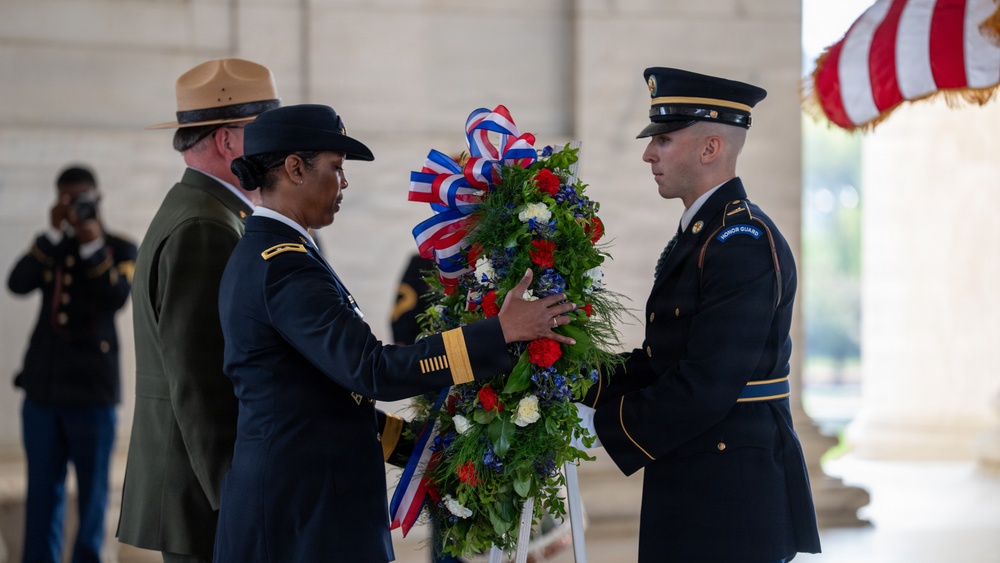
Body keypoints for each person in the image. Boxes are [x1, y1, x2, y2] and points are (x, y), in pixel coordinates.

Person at [214, 104, 577, 562]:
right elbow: (371, 370)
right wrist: (499, 332)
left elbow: (324, 395)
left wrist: (423, 452)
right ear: (294, 169)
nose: (344, 183)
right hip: (302, 511)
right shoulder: (284, 266)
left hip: (310, 498)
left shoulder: (281, 255)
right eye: (336, 168)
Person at [575, 67, 822, 562]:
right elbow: (662, 358)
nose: (648, 153)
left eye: (663, 140)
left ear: (710, 149)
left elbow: (706, 382)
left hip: (732, 494)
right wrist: (572, 382)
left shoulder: (741, 242)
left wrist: (599, 425)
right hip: (698, 468)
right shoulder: (703, 234)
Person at [116, 58, 280, 563]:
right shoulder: (206, 226)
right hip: (207, 499)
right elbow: (203, 382)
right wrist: (236, 498)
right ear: (228, 141)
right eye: (263, 131)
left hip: (198, 488)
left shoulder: (206, 210)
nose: (275, 147)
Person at [8, 165, 137, 563]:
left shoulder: (119, 248)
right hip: (43, 389)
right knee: (43, 492)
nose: (77, 207)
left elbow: (115, 298)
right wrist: (51, 234)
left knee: (93, 495)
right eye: (68, 200)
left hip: (92, 393)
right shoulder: (52, 248)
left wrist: (92, 246)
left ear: (97, 199)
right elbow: (17, 283)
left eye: (83, 198)